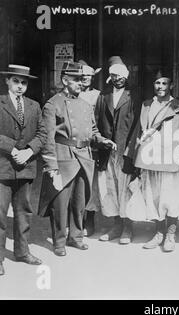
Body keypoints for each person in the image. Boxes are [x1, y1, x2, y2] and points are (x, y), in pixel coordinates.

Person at [38, 61, 116, 257]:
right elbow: (47, 139)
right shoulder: (52, 104)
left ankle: (76, 237)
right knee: (60, 203)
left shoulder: (85, 104)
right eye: (77, 80)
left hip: (84, 157)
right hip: (63, 156)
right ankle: (59, 241)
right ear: (65, 80)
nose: (81, 83)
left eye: (83, 79)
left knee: (80, 201)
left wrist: (102, 140)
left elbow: (93, 130)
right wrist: (51, 167)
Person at [124, 68, 179, 252]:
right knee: (154, 196)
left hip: (172, 159)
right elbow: (139, 131)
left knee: (172, 197)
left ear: (171, 85)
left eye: (164, 83)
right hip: (151, 159)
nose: (160, 87)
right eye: (157, 83)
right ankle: (158, 232)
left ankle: (171, 233)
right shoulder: (146, 105)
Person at [0, 64, 47, 276]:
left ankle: (22, 252)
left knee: (23, 213)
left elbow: (42, 134)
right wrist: (13, 149)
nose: (20, 86)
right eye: (16, 81)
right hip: (1, 169)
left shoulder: (34, 106)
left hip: (25, 167)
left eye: (24, 82)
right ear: (7, 82)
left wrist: (29, 152)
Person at [96, 56, 136, 244]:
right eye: (113, 75)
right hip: (107, 149)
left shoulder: (133, 95)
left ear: (126, 76)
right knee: (110, 187)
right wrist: (102, 141)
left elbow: (137, 124)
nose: (117, 79)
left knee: (125, 187)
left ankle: (128, 227)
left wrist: (130, 148)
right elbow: (97, 122)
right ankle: (116, 225)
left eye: (120, 75)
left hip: (125, 149)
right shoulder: (103, 96)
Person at [78, 59, 102, 237]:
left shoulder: (98, 95)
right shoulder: (73, 93)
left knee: (91, 183)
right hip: (74, 143)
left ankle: (90, 219)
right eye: (83, 75)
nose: (86, 78)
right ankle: (75, 219)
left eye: (89, 75)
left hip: (92, 144)